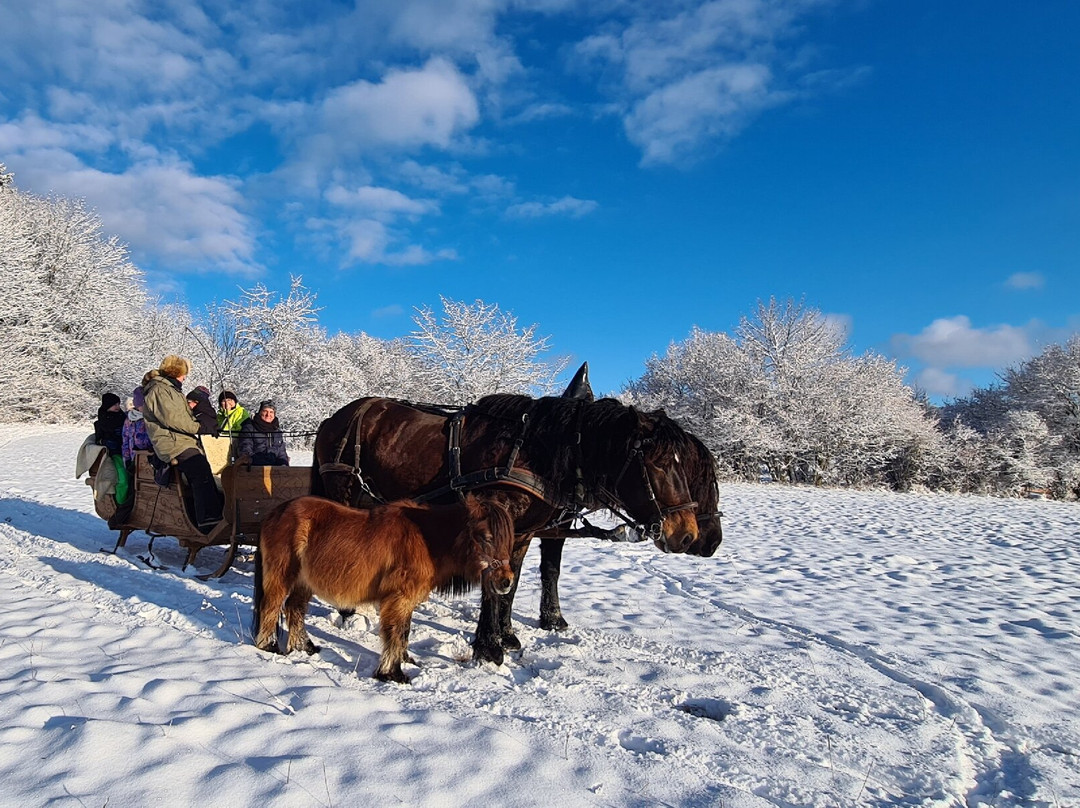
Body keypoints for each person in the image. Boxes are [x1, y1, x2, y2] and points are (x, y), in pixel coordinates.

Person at [141, 355, 223, 533]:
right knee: (199, 470)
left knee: (205, 471)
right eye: (183, 374)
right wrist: (199, 427)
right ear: (175, 372)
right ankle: (208, 521)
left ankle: (211, 515)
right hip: (171, 442)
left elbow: (183, 417)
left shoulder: (171, 390)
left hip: (181, 440)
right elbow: (173, 418)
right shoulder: (160, 390)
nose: (185, 377)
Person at [237, 399, 290, 466]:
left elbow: (281, 453)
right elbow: (245, 450)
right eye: (265, 411)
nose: (268, 415)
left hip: (275, 468)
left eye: (271, 412)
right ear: (260, 412)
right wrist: (257, 461)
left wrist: (283, 464)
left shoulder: (277, 431)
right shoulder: (249, 428)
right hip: (254, 468)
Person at [121, 387, 153, 463]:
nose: (143, 407)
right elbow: (125, 438)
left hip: (150, 456)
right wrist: (127, 457)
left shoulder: (152, 418)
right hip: (134, 456)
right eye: (141, 405)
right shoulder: (130, 418)